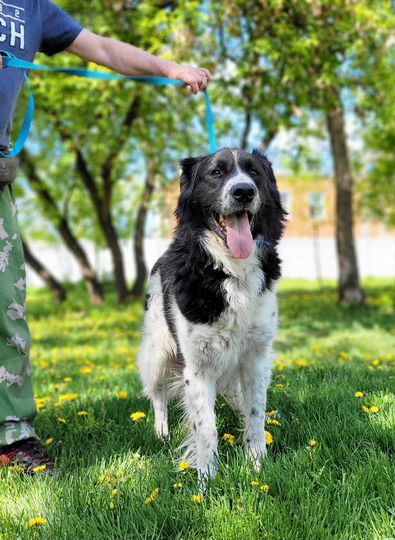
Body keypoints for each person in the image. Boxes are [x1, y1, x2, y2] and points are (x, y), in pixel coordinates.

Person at [0, 0, 212, 475]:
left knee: (4, 309)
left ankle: (11, 435)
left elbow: (100, 48)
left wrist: (168, 67)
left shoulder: (29, 6)